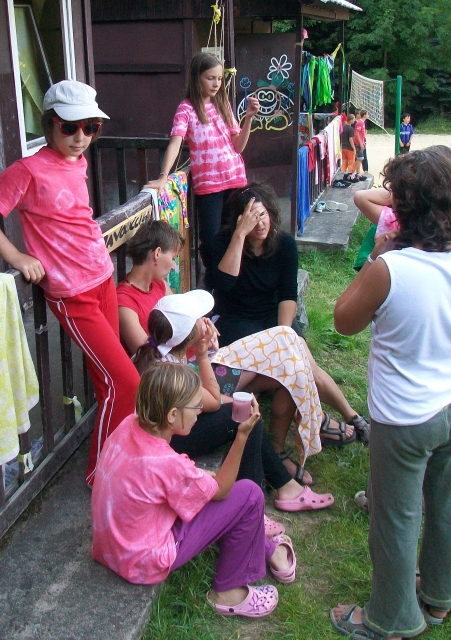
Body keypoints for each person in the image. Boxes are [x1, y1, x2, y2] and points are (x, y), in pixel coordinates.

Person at [331, 146, 451, 639]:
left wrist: (378, 257)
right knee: (444, 506)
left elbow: (343, 321)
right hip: (448, 404)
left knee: (396, 518)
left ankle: (390, 619)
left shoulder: (391, 269)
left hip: (403, 418)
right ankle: (438, 599)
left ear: (405, 209)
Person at [0, 80, 140, 486]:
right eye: (70, 127)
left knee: (109, 381)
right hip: (71, 293)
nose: (81, 138)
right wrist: (17, 257)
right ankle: (102, 474)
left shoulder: (77, 161)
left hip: (101, 277)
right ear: (49, 124)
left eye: (91, 127)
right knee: (126, 381)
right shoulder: (26, 170)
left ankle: (118, 459)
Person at [92, 362, 299, 617]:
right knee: (250, 495)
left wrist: (200, 477)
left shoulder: (128, 425)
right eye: (195, 407)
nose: (200, 412)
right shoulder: (169, 465)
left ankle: (269, 550)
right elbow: (221, 491)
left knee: (209, 491)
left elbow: (163, 479)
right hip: (143, 561)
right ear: (172, 415)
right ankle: (228, 592)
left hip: (110, 548)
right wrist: (242, 436)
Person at [134, 290, 335, 512]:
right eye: (200, 318)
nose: (206, 320)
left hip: (165, 430)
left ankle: (278, 487)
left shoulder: (156, 354)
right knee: (245, 415)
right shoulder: (177, 373)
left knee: (244, 410)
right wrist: (202, 355)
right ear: (190, 334)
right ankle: (256, 503)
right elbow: (213, 401)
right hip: (170, 441)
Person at [211, 183, 370, 457]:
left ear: (271, 213)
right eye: (251, 217)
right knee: (293, 366)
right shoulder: (222, 243)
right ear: (239, 220)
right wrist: (239, 236)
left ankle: (352, 416)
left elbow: (287, 295)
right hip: (236, 320)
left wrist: (284, 336)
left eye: (263, 214)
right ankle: (319, 421)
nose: (260, 223)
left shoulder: (283, 243)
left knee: (304, 363)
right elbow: (223, 283)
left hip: (274, 316)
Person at [144, 52, 259, 289]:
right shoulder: (186, 109)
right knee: (211, 241)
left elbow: (238, 146)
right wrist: (163, 177)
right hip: (208, 186)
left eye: (219, 78)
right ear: (197, 78)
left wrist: (248, 118)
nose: (216, 83)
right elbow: (175, 143)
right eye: (210, 78)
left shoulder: (223, 104)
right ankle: (216, 287)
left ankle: (236, 284)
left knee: (236, 233)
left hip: (235, 179)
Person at [117, 219, 184, 355]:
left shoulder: (159, 283)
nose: (173, 266)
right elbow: (148, 356)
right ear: (157, 253)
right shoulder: (124, 302)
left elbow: (181, 316)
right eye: (173, 258)